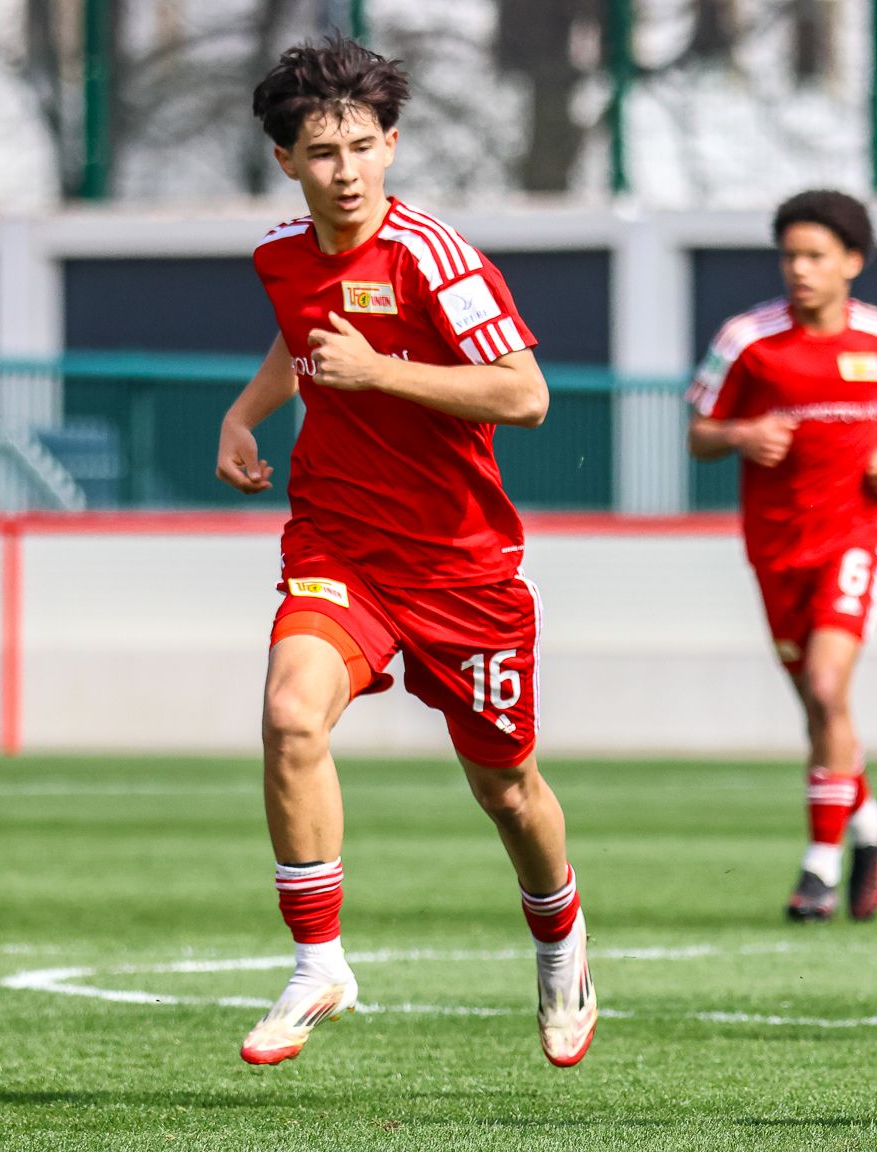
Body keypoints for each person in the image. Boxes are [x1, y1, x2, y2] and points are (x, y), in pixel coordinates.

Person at [216, 37, 595, 1068]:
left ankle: (561, 941)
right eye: (320, 151)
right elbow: (302, 337)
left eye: (361, 147)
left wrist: (381, 372)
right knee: (290, 716)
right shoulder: (280, 253)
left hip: (460, 568)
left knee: (506, 790)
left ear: (391, 144)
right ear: (287, 160)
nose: (345, 171)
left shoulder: (435, 257)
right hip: (338, 542)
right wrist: (246, 414)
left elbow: (525, 394)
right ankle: (319, 962)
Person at [687, 191, 877, 922]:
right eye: (790, 256)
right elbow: (699, 431)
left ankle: (819, 867)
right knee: (820, 707)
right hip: (776, 547)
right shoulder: (746, 340)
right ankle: (869, 822)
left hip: (858, 537)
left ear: (851, 262)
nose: (800, 269)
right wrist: (741, 434)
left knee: (827, 687)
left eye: (816, 256)